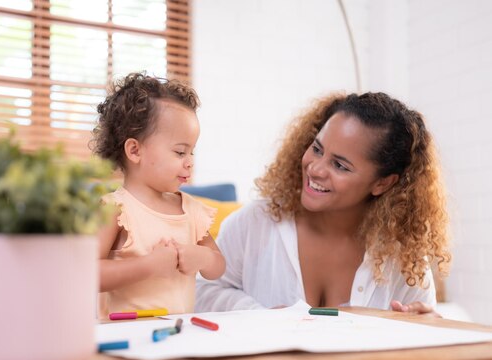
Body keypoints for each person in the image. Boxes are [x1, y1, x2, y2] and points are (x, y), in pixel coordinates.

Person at [195, 92, 451, 315]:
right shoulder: (257, 221)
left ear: (382, 183)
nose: (315, 169)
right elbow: (203, 289)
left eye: (339, 165)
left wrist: (422, 325)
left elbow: (420, 334)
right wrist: (259, 316)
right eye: (317, 149)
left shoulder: (402, 256)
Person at [90, 73, 225, 318]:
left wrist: (203, 257)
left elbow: (218, 267)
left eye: (192, 152)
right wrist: (148, 266)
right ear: (134, 150)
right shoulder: (114, 209)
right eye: (180, 152)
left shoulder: (191, 211)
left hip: (177, 336)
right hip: (126, 341)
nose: (190, 163)